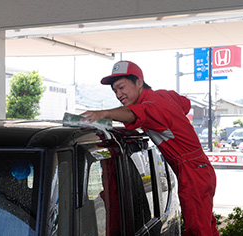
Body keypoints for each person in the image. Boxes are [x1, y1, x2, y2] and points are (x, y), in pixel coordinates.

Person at [81, 60, 219, 236]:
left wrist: (104, 113)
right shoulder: (163, 96)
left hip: (192, 172)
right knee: (206, 226)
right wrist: (175, 123)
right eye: (115, 90)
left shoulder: (152, 107)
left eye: (122, 87)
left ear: (139, 82)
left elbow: (133, 113)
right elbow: (184, 103)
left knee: (198, 231)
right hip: (199, 168)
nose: (118, 94)